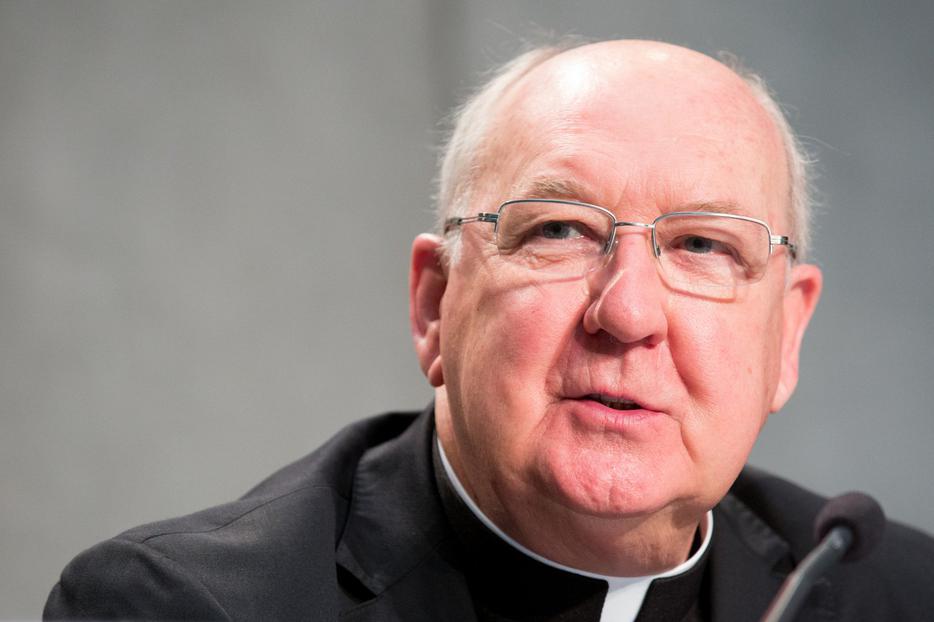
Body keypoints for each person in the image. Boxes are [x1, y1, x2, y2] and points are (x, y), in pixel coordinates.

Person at [44, 39, 934, 622]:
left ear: (786, 336)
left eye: (703, 245)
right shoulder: (186, 607)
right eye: (558, 230)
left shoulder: (889, 593)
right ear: (435, 305)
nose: (626, 314)